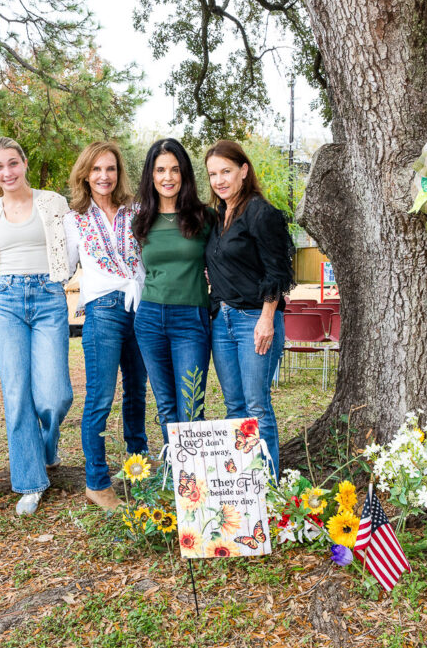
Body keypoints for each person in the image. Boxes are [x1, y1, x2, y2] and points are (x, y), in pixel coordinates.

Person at [0, 137, 73, 515]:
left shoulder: (53, 202)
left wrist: (66, 280)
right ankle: (31, 482)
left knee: (55, 396)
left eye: (12, 163)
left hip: (49, 296)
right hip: (6, 301)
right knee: (17, 394)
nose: (7, 172)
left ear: (24, 163)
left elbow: (72, 246)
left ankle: (47, 444)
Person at [64, 142, 148, 509]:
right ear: (85, 174)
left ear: (119, 172)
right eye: (96, 169)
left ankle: (138, 470)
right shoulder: (73, 219)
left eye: (110, 168)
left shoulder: (137, 210)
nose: (104, 176)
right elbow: (64, 267)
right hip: (103, 310)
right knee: (100, 397)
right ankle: (97, 482)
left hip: (141, 308)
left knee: (137, 392)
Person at [204, 140, 295, 477]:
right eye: (213, 174)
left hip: (255, 320)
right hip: (221, 320)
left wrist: (267, 319)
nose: (219, 180)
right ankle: (243, 483)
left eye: (226, 171)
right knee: (234, 406)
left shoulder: (260, 213)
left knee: (257, 406)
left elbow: (278, 271)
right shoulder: (217, 216)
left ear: (243, 170)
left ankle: (267, 484)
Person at [132, 138, 213, 445]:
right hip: (150, 318)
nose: (168, 177)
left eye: (175, 170)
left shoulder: (205, 218)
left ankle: (195, 470)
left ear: (184, 174)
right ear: (151, 176)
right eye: (160, 170)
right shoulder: (141, 221)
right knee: (166, 406)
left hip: (191, 319)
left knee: (191, 407)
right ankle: (176, 469)